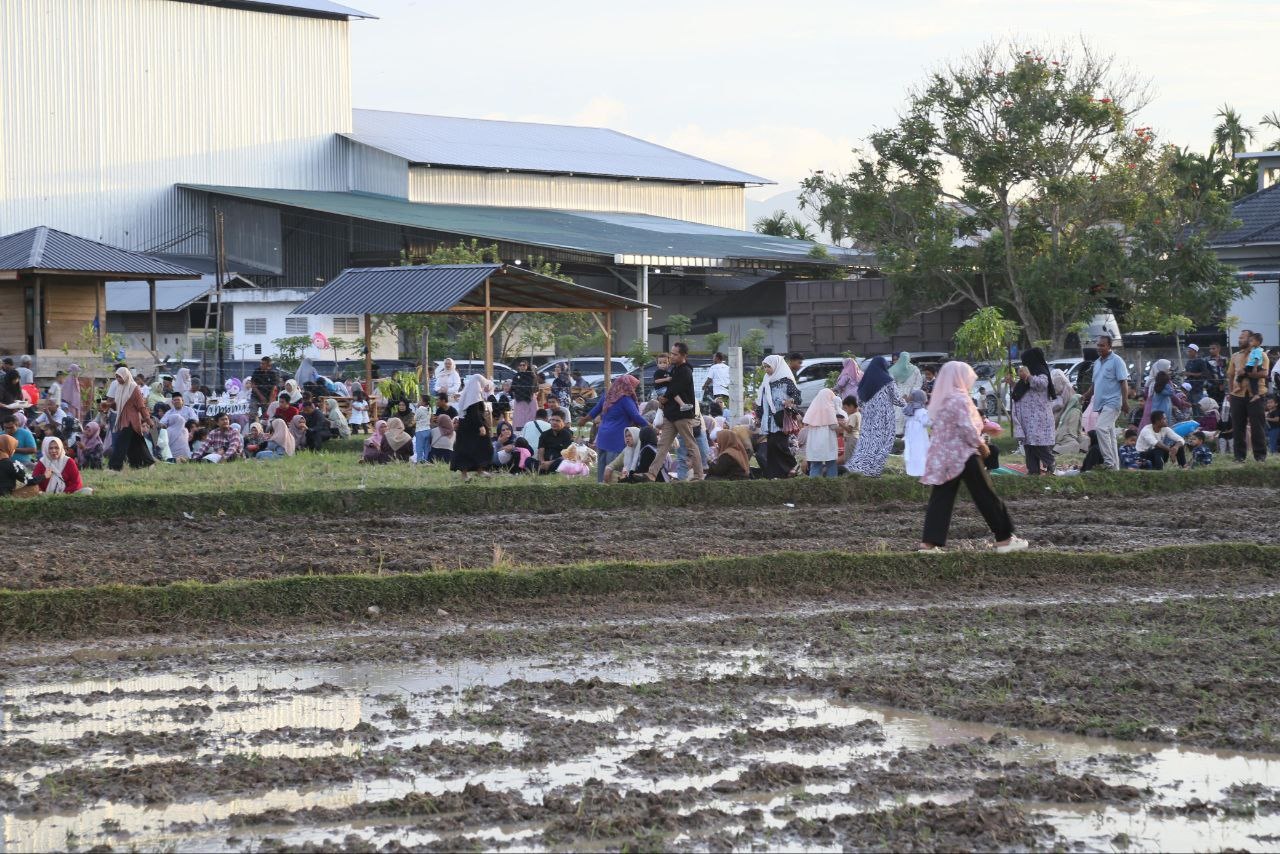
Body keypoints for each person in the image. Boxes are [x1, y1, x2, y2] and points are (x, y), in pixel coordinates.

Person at [917, 361, 1027, 553]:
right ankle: (1005, 539)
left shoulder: (943, 398)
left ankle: (929, 543)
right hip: (963, 455)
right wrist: (982, 445)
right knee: (986, 495)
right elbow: (966, 428)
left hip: (944, 457)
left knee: (941, 498)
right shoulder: (960, 398)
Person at [644, 343, 704, 481]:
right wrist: (661, 398)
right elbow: (664, 385)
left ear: (683, 356)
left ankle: (698, 475)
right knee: (662, 445)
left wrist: (664, 397)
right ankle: (651, 474)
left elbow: (675, 388)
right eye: (671, 353)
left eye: (675, 354)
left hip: (682, 415)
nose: (672, 356)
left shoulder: (685, 371)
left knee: (690, 444)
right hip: (670, 414)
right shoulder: (674, 369)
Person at [583, 373, 647, 482]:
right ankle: (611, 491)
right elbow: (635, 416)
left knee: (602, 467)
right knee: (612, 468)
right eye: (633, 386)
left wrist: (584, 420)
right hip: (616, 437)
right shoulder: (625, 399)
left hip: (602, 436)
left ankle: (601, 489)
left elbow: (594, 411)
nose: (634, 389)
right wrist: (649, 427)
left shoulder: (607, 396)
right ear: (627, 385)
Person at [846, 356, 903, 477]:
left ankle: (858, 466)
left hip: (868, 417)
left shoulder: (864, 381)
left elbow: (860, 401)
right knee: (882, 442)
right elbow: (897, 399)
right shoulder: (888, 380)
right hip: (884, 418)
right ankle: (873, 469)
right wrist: (908, 405)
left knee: (867, 441)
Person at [1080, 334, 1130, 471]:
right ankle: (1116, 468)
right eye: (1098, 345)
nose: (1099, 347)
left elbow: (1123, 383)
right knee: (1111, 435)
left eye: (1102, 345)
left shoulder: (1117, 361)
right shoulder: (1097, 363)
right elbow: (1095, 384)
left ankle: (1109, 463)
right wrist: (1086, 395)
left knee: (1101, 429)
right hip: (1101, 404)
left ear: (1109, 346)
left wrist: (1125, 402)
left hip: (1113, 402)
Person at [752, 353, 802, 479]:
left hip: (780, 420)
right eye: (764, 367)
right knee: (772, 447)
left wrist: (790, 401)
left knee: (780, 445)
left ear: (776, 365)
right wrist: (758, 416)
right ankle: (775, 475)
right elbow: (762, 403)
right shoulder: (766, 382)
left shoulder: (786, 380)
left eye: (768, 367)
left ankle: (793, 467)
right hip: (768, 421)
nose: (766, 370)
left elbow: (797, 396)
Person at [1012, 347, 1057, 476]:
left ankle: (1050, 462)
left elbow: (1042, 384)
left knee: (1037, 443)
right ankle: (1033, 470)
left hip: (1038, 416)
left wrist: (1028, 376)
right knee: (1029, 444)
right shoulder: (1029, 373)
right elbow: (1024, 390)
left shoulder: (1040, 371)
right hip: (1028, 418)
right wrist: (1013, 383)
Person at [1227, 328, 1269, 462]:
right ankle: (1239, 457)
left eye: (1243, 338)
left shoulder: (1260, 354)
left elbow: (1264, 374)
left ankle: (1260, 457)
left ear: (1252, 340)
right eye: (1239, 338)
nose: (1240, 340)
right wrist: (1230, 392)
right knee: (1238, 427)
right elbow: (1231, 375)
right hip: (1237, 396)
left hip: (1256, 395)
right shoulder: (1235, 356)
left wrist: (1246, 374)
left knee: (1257, 427)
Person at [107, 367, 155, 471]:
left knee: (121, 443)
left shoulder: (134, 388)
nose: (118, 379)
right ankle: (143, 463)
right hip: (122, 418)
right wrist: (109, 405)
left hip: (131, 420)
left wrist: (148, 420)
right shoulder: (120, 387)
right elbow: (118, 405)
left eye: (120, 377)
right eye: (117, 377)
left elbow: (141, 406)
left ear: (126, 375)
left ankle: (114, 467)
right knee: (136, 443)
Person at [450, 374, 495, 478]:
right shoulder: (474, 395)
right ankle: (467, 473)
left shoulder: (471, 393)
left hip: (467, 427)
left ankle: (479, 470)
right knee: (468, 450)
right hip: (472, 427)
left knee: (478, 449)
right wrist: (481, 426)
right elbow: (474, 413)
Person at [802, 387, 841, 477]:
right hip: (828, 443)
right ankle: (832, 485)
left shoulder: (813, 408)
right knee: (831, 464)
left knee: (815, 465)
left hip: (815, 444)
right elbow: (833, 425)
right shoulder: (829, 408)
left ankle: (814, 487)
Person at [1052, 370, 1086, 457]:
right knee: (1075, 444)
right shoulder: (1075, 411)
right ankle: (1056, 449)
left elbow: (1076, 430)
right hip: (1066, 435)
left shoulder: (1074, 410)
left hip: (1065, 433)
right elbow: (1072, 431)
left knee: (1084, 440)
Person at [889, 352, 922, 433]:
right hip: (901, 394)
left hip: (906, 395)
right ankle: (898, 434)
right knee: (899, 414)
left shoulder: (914, 370)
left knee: (907, 415)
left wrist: (911, 395)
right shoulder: (895, 369)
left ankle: (902, 434)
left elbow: (918, 383)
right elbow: (891, 384)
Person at [901, 388, 931, 477]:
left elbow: (906, 418)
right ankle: (920, 473)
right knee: (920, 454)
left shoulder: (909, 409)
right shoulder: (922, 412)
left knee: (910, 453)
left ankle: (910, 471)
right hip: (919, 437)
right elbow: (928, 422)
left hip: (910, 436)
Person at [160, 393, 195, 460]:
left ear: (182, 401)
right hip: (173, 433)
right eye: (174, 400)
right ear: (172, 402)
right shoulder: (169, 412)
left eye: (178, 400)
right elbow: (162, 423)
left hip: (187, 431)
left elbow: (195, 421)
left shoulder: (189, 410)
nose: (176, 401)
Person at [1240, 331, 1268, 401]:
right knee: (1249, 379)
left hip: (1253, 367)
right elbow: (1230, 375)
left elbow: (1265, 373)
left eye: (1243, 337)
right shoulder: (1236, 355)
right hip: (1238, 395)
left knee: (1251, 381)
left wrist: (1250, 371)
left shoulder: (1259, 352)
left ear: (1257, 342)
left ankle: (1255, 394)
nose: (1239, 338)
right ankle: (1238, 387)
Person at [412, 394, 435, 463]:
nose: (418, 401)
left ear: (423, 402)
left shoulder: (419, 409)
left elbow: (415, 420)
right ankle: (426, 459)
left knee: (419, 447)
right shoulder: (429, 409)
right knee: (426, 447)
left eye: (420, 400)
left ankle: (419, 461)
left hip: (420, 431)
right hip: (428, 430)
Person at [839, 396, 861, 467]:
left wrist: (841, 424)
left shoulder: (853, 416)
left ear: (851, 406)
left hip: (851, 439)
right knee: (853, 455)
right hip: (855, 438)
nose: (845, 410)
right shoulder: (858, 414)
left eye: (846, 408)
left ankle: (850, 472)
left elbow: (849, 429)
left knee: (849, 457)